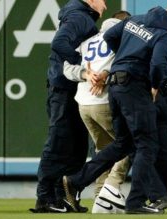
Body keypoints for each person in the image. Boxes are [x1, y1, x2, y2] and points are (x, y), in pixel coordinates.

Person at [62, 0, 167, 214]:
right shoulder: (165, 33)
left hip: (115, 86)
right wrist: (156, 85)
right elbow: (159, 64)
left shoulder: (136, 20)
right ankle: (135, 202)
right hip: (135, 88)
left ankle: (77, 180)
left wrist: (123, 59)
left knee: (123, 143)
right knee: (148, 145)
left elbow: (110, 36)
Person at [31, 0, 107, 213]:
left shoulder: (80, 16)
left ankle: (63, 197)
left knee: (76, 147)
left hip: (73, 90)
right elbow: (59, 43)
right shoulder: (79, 17)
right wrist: (82, 64)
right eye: (102, 0)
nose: (105, 6)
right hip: (64, 89)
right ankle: (46, 198)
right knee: (59, 143)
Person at [63, 16, 130, 214]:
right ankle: (110, 190)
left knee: (103, 150)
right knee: (128, 145)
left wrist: (86, 74)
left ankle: (100, 196)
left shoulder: (86, 42)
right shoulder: (121, 40)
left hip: (83, 103)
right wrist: (106, 76)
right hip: (104, 102)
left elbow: (66, 68)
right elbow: (125, 66)